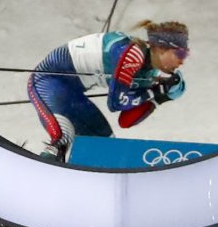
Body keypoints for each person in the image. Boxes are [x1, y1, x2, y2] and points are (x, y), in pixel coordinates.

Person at [28, 20, 189, 159]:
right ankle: (40, 171)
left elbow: (125, 120)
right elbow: (116, 102)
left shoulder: (149, 73)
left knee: (106, 148)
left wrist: (161, 97)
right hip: (47, 80)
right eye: (180, 53)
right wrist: (156, 91)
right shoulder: (133, 53)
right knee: (63, 137)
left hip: (73, 94)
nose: (182, 61)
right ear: (162, 49)